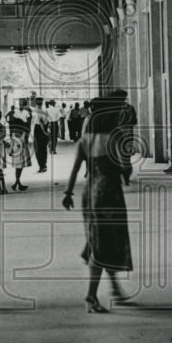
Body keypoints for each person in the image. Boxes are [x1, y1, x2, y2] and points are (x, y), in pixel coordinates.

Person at [61, 95, 132, 313]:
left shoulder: (85, 140)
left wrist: (68, 193)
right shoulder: (115, 136)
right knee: (104, 243)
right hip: (109, 195)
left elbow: (74, 170)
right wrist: (125, 172)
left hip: (89, 194)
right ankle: (91, 296)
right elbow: (124, 167)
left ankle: (114, 287)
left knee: (99, 239)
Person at [110, 88, 138, 186]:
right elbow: (135, 121)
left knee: (116, 156)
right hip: (128, 133)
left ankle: (119, 176)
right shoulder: (130, 108)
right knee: (126, 156)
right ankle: (126, 177)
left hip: (117, 134)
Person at [6, 100, 31, 191]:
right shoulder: (23, 133)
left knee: (18, 168)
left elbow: (12, 143)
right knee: (19, 168)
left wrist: (11, 151)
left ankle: (18, 183)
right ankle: (17, 183)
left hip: (16, 152)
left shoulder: (13, 134)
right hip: (21, 152)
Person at [31, 97, 50, 173]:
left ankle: (42, 166)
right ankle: (43, 166)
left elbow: (41, 121)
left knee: (38, 149)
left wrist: (44, 131)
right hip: (41, 128)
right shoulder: (45, 110)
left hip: (39, 129)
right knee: (43, 148)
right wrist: (47, 130)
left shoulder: (35, 111)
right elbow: (47, 121)